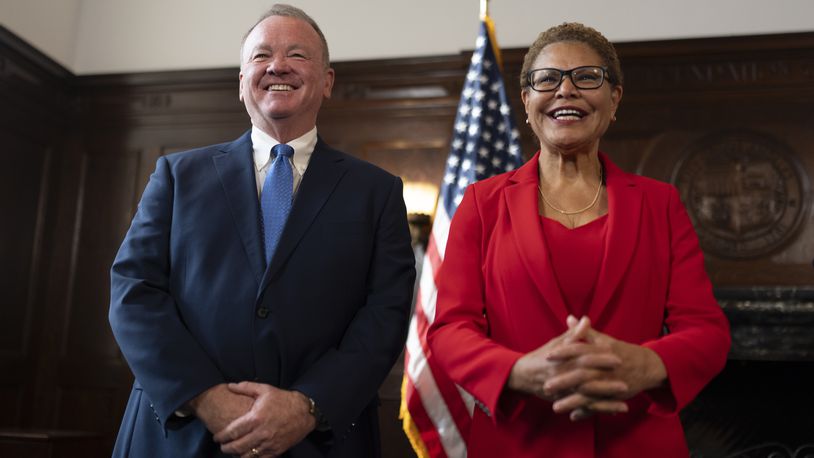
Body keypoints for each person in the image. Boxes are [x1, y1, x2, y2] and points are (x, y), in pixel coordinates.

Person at [108, 4, 416, 458]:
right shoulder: (176, 175)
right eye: (261, 56)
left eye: (298, 54)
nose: (277, 65)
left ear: (327, 81)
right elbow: (133, 292)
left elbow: (385, 315)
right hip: (180, 435)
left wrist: (306, 407)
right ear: (241, 83)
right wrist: (207, 397)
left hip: (318, 440)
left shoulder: (378, 192)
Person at [426, 22, 730, 457]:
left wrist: (646, 365)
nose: (565, 90)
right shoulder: (481, 203)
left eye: (587, 77)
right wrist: (518, 370)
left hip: (637, 443)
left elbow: (707, 330)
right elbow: (451, 329)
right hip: (518, 442)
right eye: (547, 79)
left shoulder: (660, 204)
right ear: (527, 101)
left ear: (614, 99)